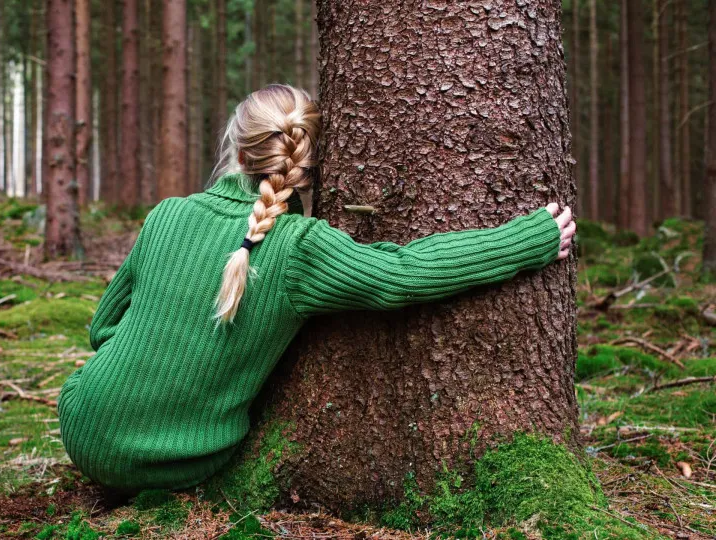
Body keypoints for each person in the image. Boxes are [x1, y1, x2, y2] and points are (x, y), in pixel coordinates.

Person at [56, 84, 576, 494]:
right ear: (308, 163)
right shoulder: (300, 246)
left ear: (238, 152)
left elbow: (103, 327)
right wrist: (526, 239)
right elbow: (403, 274)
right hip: (180, 458)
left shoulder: (168, 214)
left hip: (82, 425)